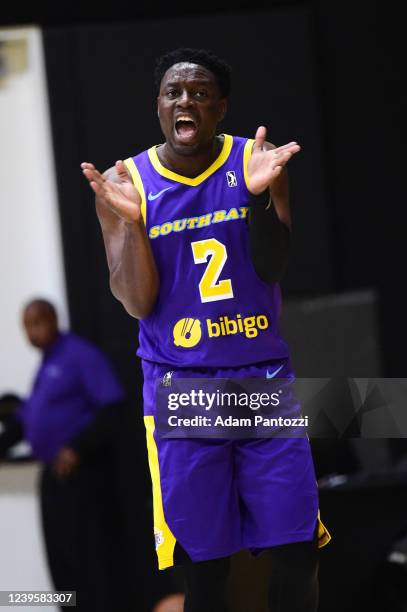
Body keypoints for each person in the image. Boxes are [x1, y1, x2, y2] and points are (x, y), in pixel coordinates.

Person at [81, 48, 331, 612]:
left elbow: (273, 267)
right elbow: (136, 301)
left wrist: (258, 196)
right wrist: (130, 226)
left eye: (198, 92)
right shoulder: (129, 181)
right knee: (206, 567)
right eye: (173, 92)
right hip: (182, 385)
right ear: (159, 107)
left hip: (261, 381)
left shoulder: (255, 161)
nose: (185, 100)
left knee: (297, 551)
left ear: (220, 107)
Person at [0, 299, 125, 611]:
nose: (32, 332)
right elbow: (27, 420)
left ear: (54, 320)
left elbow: (112, 408)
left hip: (80, 477)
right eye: (27, 326)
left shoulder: (79, 355)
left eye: (38, 323)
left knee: (86, 563)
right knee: (61, 565)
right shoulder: (46, 365)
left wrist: (77, 448)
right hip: (52, 479)